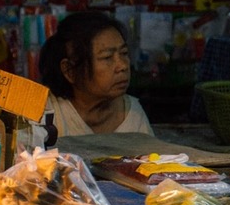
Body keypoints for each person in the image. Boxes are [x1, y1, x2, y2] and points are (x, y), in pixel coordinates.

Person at [38, 10, 151, 139]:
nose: (123, 66)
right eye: (107, 57)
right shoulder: (46, 114)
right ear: (70, 70)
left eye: (124, 53)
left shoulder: (133, 114)